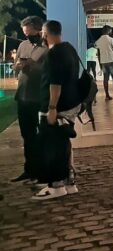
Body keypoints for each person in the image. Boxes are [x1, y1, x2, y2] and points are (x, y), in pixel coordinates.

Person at [33, 20, 80, 200]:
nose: (41, 35)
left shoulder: (54, 54)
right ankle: (69, 182)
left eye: (42, 32)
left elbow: (55, 84)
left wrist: (52, 108)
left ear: (46, 33)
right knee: (64, 144)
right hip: (70, 104)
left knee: (52, 146)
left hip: (56, 107)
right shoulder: (69, 49)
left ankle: (56, 186)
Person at [9, 16, 47, 184]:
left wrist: (33, 64)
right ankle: (30, 170)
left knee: (41, 135)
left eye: (29, 32)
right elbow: (15, 65)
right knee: (27, 135)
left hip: (39, 97)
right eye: (24, 33)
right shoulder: (23, 45)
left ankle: (42, 171)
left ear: (38, 30)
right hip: (23, 96)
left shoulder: (47, 46)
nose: (26, 36)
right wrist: (17, 66)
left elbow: (48, 68)